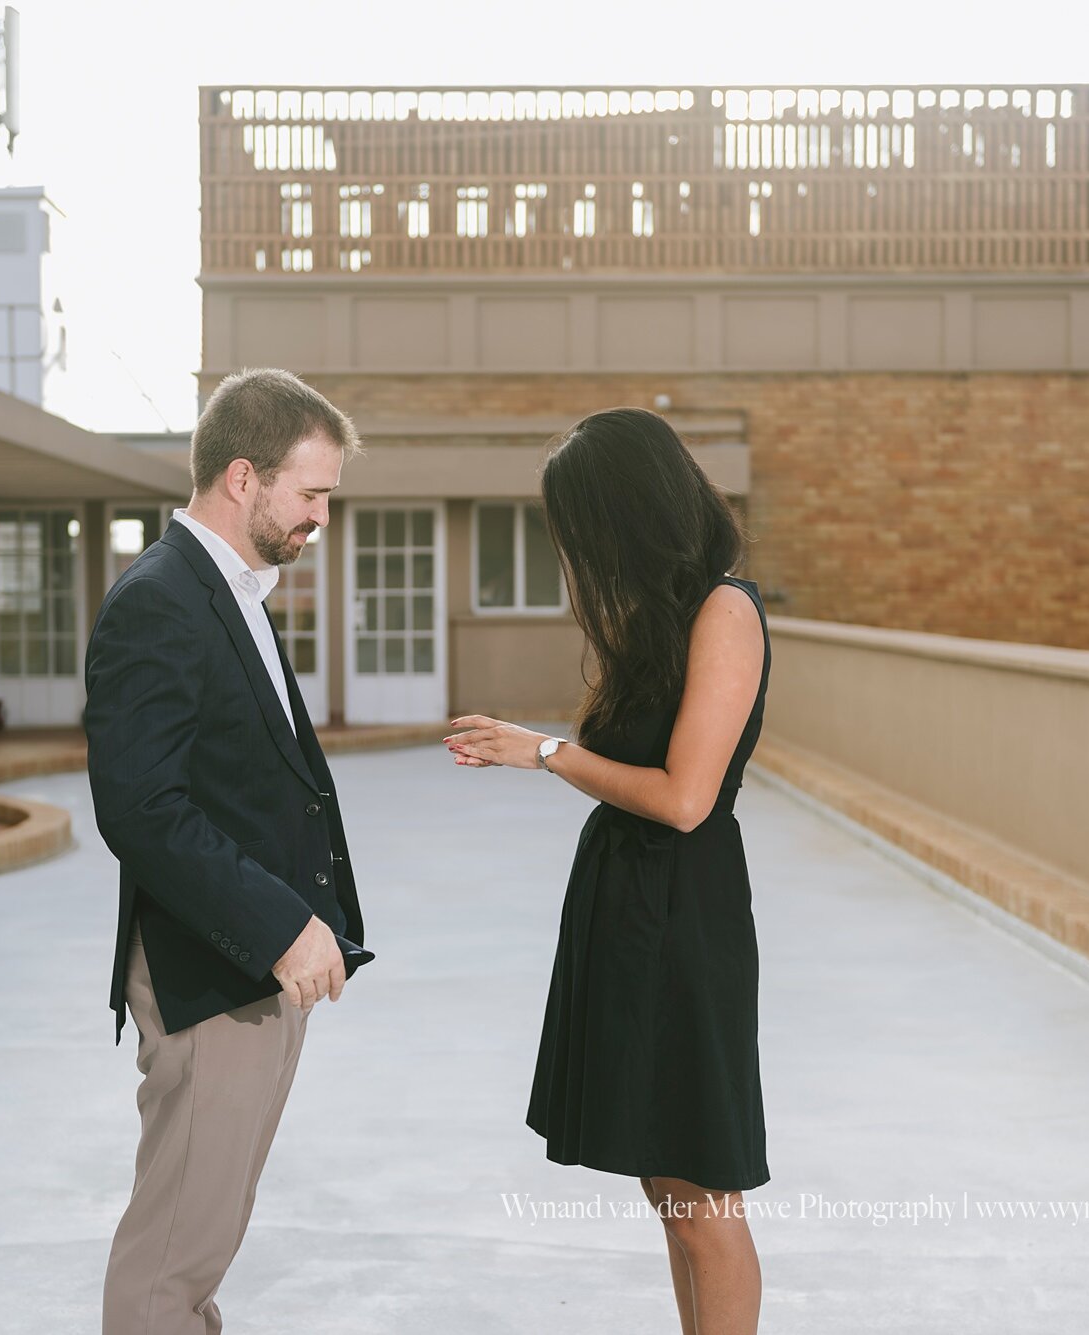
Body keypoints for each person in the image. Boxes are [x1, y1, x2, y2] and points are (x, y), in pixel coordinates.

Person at [444, 406, 771, 1335]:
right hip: (630, 911)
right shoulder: (658, 625)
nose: (578, 553)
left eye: (583, 529)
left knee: (701, 1187)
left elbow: (684, 798)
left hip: (683, 916)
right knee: (663, 1177)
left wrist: (540, 751)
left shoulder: (725, 611)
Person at [83, 367, 374, 1335]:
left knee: (199, 1258)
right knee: (170, 1265)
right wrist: (280, 926)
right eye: (311, 493)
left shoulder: (231, 589)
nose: (319, 517)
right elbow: (142, 809)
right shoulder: (159, 599)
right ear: (242, 478)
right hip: (212, 978)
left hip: (255, 980)